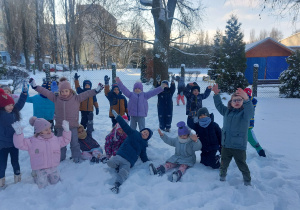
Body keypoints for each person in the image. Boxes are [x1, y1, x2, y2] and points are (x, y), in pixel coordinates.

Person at [29, 77, 104, 163]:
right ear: (59, 91)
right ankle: (61, 157)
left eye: (66, 91)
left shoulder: (76, 98)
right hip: (60, 126)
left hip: (72, 126)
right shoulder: (55, 98)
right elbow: (45, 92)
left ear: (70, 91)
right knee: (61, 144)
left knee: (74, 144)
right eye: (62, 91)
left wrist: (96, 90)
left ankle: (76, 157)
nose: (64, 93)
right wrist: (35, 87)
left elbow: (87, 93)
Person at [212, 84, 254, 186]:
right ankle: (222, 177)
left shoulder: (245, 114)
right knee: (223, 163)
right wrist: (216, 94)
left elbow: (251, 112)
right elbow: (219, 106)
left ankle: (247, 180)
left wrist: (247, 99)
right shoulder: (227, 111)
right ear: (231, 102)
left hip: (239, 146)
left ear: (243, 101)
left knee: (242, 164)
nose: (237, 102)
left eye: (239, 100)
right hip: (226, 145)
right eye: (234, 100)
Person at [12, 117, 71, 189]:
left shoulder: (55, 139)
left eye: (49, 128)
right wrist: (19, 135)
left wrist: (67, 131)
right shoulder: (32, 141)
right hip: (40, 168)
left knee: (56, 183)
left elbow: (65, 140)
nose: (49, 131)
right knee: (42, 186)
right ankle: (35, 176)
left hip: (53, 167)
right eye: (46, 130)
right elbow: (20, 144)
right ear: (39, 131)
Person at [107, 110, 153, 194]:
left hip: (129, 162)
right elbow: (125, 126)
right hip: (121, 155)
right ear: (141, 131)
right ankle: (115, 165)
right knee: (110, 162)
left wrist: (148, 162)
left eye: (147, 135)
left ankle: (117, 184)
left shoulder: (143, 145)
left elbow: (143, 156)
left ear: (147, 138)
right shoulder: (133, 133)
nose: (145, 134)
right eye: (144, 132)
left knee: (124, 172)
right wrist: (118, 117)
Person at [0, 85, 28, 188]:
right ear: (2, 105)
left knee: (15, 161)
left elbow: (20, 103)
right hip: (2, 144)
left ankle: (17, 177)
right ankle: (1, 180)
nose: (11, 106)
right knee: (2, 164)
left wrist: (24, 93)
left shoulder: (15, 112)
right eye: (9, 105)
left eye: (12, 104)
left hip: (14, 143)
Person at [244, 88, 266, 157]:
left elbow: (253, 101)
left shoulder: (251, 102)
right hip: (240, 125)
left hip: (248, 125)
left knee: (251, 139)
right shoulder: (242, 101)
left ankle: (260, 151)